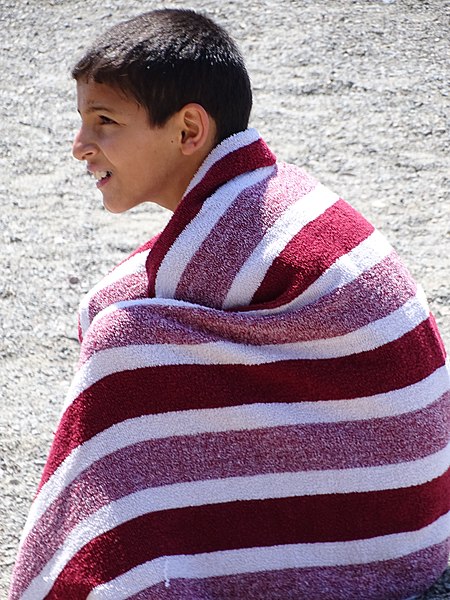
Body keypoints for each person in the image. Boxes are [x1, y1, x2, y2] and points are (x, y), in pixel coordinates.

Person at [9, 8, 450, 600]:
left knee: (123, 352)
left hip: (379, 538)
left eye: (104, 122)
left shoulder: (231, 232)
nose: (80, 147)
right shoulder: (258, 197)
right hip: (418, 520)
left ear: (189, 131)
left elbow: (109, 317)